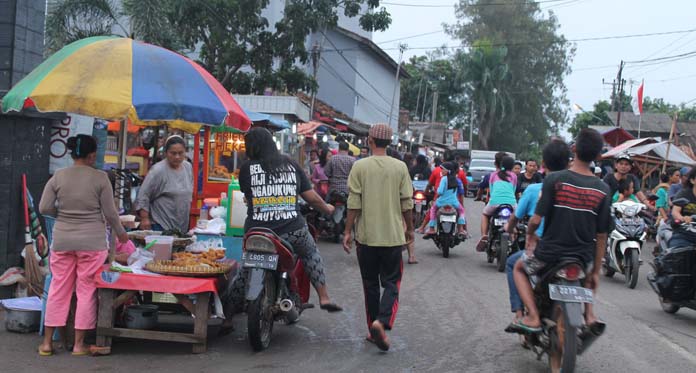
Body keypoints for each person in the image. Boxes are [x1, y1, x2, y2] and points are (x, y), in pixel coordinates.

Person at [510, 128, 610, 334]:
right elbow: (602, 236)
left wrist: (530, 236)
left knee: (518, 268)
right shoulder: (603, 189)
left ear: (574, 149)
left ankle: (533, 317)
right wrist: (595, 270)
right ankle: (589, 315)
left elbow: (536, 220)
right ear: (599, 156)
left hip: (549, 254)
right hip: (582, 256)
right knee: (590, 277)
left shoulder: (554, 180)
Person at [38, 135, 129, 356]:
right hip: (92, 242)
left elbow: (44, 207)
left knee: (58, 289)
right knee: (86, 290)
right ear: (91, 155)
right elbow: (110, 213)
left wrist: (63, 215)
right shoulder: (100, 178)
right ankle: (79, 345)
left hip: (62, 240)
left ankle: (47, 343)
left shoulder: (59, 176)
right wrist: (122, 234)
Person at [238, 127, 342, 311]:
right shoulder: (291, 164)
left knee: (246, 265)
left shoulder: (246, 168)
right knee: (310, 253)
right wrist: (327, 209)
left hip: (257, 232)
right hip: (292, 231)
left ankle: (228, 316)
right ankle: (324, 297)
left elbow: (248, 197)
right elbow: (311, 198)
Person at [343, 123, 414, 352]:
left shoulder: (360, 167)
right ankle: (380, 322)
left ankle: (373, 328)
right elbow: (407, 203)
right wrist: (410, 229)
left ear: (370, 141)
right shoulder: (400, 167)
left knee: (370, 285)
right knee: (392, 283)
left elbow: (353, 203)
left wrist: (347, 231)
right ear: (390, 142)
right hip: (393, 237)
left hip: (366, 239)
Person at [504, 139, 570, 333]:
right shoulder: (576, 188)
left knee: (512, 264)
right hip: (576, 251)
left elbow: (524, 219)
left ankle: (522, 315)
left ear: (543, 165)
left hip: (545, 250)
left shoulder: (535, 189)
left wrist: (513, 230)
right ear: (568, 163)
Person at [136, 135, 193, 232]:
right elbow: (143, 195)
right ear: (166, 153)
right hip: (160, 224)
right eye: (173, 153)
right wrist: (145, 218)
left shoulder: (188, 167)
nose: (177, 157)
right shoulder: (158, 170)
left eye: (180, 153)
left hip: (181, 225)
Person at [476, 156, 518, 252]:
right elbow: (513, 190)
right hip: (511, 203)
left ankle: (484, 235)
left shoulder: (493, 175)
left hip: (495, 202)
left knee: (485, 214)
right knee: (517, 217)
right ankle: (513, 232)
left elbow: (491, 190)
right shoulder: (514, 176)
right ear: (512, 166)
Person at [423, 162, 467, 238]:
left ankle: (431, 228)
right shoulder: (457, 180)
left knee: (433, 209)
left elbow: (440, 191)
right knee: (461, 211)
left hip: (441, 202)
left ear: (448, 171)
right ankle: (460, 229)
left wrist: (436, 196)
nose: (441, 171)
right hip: (454, 203)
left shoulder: (444, 179)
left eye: (442, 170)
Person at [668, 167, 696, 248]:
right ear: (692, 180)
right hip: (683, 233)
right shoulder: (684, 193)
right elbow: (675, 212)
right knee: (677, 253)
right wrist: (683, 218)